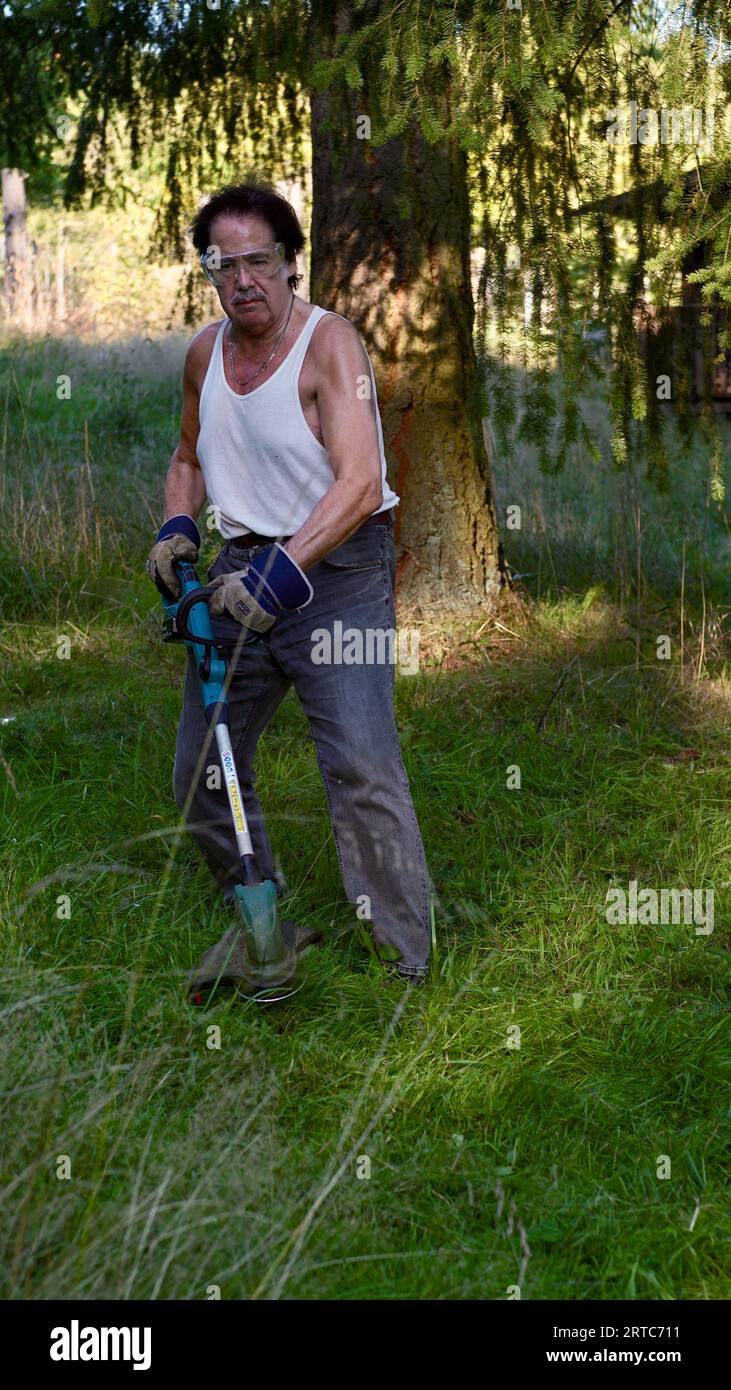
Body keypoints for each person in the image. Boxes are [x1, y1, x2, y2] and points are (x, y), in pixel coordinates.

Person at [146, 179, 432, 986]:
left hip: (337, 573)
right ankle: (261, 918)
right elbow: (187, 457)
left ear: (291, 265)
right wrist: (177, 526)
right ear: (209, 273)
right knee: (200, 766)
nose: (243, 280)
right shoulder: (205, 352)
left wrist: (281, 572)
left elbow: (359, 482)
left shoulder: (330, 346)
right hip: (241, 573)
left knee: (361, 768)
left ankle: (403, 963)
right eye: (225, 265)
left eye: (259, 262)